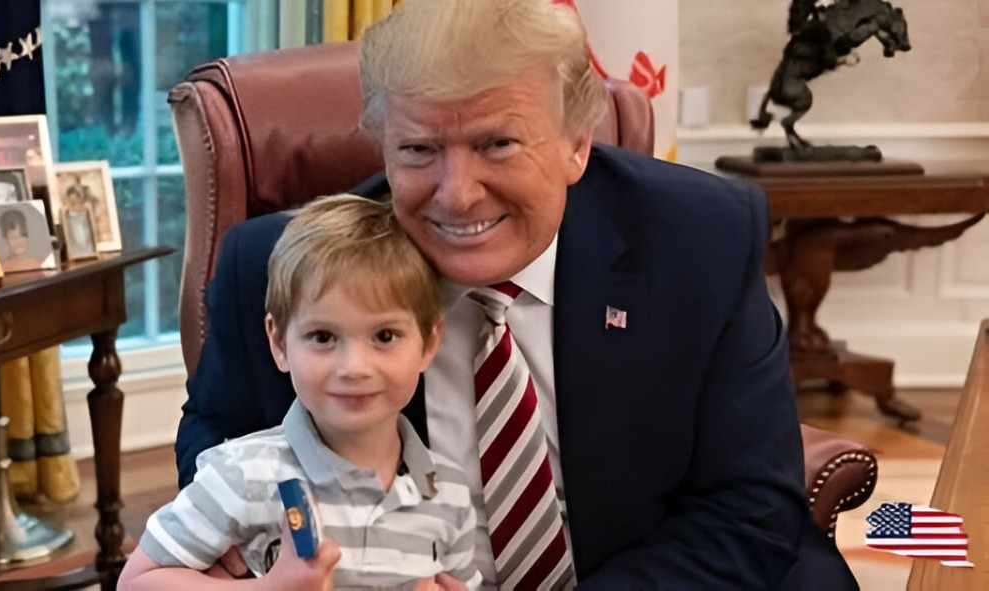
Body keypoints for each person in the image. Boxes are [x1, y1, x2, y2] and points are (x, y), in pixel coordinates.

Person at [176, 0, 859, 588]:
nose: (456, 194)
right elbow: (216, 439)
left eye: (497, 144)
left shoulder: (697, 239)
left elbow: (748, 507)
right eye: (418, 150)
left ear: (576, 144)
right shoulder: (278, 268)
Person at [121, 194, 481, 590]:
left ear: (429, 343)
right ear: (278, 342)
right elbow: (137, 580)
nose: (354, 368)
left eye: (384, 336)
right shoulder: (242, 474)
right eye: (323, 337)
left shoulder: (450, 491)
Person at [0, 208, 47, 272]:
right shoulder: (0, 268)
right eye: (14, 237)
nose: (19, 241)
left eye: (23, 235)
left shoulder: (43, 263)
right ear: (5, 239)